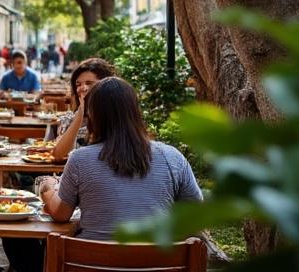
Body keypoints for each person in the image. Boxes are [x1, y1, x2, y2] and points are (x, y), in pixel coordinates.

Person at [39, 77, 202, 242]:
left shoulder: (80, 159)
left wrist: (47, 187)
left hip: (90, 265)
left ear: (94, 116)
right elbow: (196, 218)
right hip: (159, 264)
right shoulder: (172, 157)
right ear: (136, 111)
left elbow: (61, 214)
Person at [51, 58, 118, 161]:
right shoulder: (69, 120)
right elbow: (58, 155)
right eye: (78, 84)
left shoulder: (116, 116)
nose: (83, 88)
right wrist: (79, 117)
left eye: (89, 83)